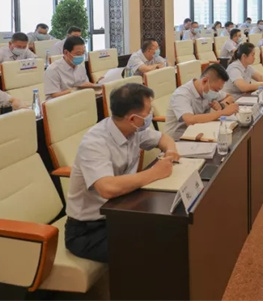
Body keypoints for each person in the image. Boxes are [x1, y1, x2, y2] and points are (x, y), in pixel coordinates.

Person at [65, 83, 179, 263]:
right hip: (88, 230)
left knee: (171, 228)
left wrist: (170, 151)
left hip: (122, 212)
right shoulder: (95, 142)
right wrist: (155, 172)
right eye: (148, 112)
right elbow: (107, 188)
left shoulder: (134, 130)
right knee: (153, 249)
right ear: (133, 118)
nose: (151, 115)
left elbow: (163, 138)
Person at [164, 64, 238, 137]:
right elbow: (190, 120)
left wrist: (222, 105)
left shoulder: (207, 89)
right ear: (205, 81)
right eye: (216, 90)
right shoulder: (181, 95)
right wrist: (222, 112)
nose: (217, 93)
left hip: (200, 133)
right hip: (178, 139)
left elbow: (229, 97)